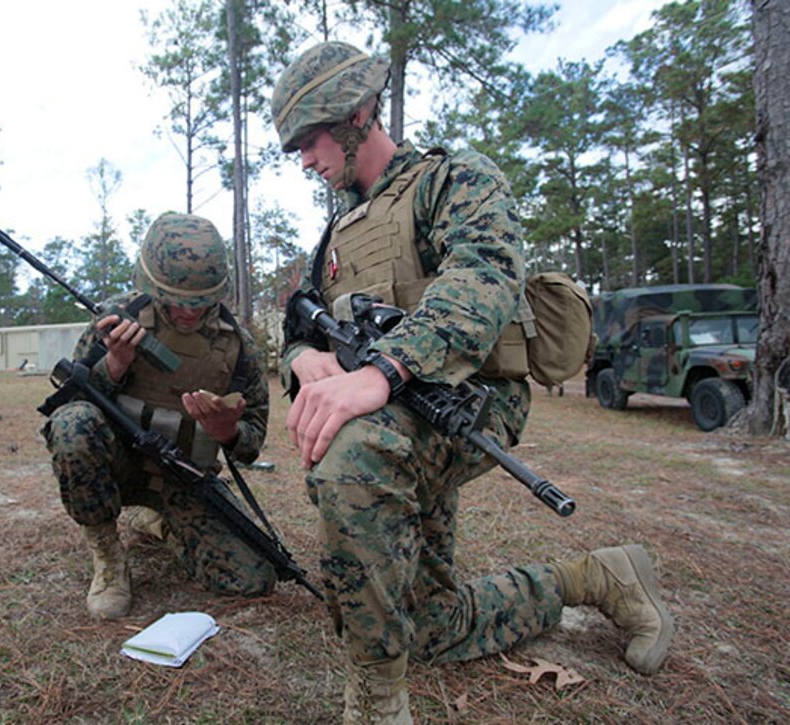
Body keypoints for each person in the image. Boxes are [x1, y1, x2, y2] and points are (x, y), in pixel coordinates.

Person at [271, 42, 673, 723]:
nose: (305, 160)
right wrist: (302, 359)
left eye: (310, 141)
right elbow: (303, 322)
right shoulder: (336, 232)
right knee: (431, 625)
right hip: (400, 406)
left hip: (470, 401)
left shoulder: (453, 179)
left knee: (351, 459)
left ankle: (376, 699)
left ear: (358, 115)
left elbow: (483, 280)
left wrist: (385, 369)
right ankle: (598, 576)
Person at [41, 212, 276, 620]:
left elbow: (252, 442)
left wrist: (227, 431)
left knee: (252, 578)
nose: (188, 312)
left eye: (200, 302)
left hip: (183, 477)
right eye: (175, 300)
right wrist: (115, 364)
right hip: (118, 466)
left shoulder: (238, 348)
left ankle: (159, 523)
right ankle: (108, 557)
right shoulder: (117, 320)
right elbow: (68, 408)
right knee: (73, 425)